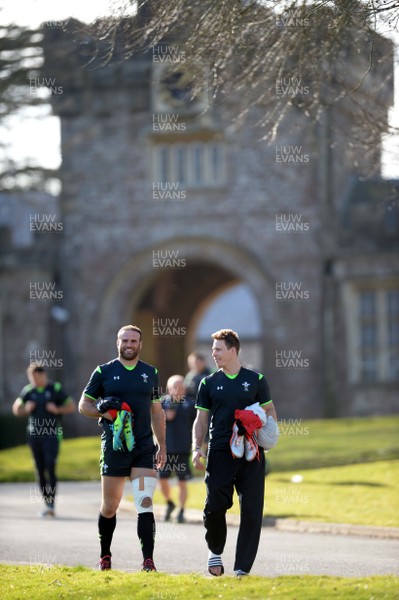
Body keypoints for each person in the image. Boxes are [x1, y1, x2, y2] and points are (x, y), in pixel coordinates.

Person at [79, 325, 166, 573]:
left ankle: (148, 561)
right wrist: (102, 411)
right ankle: (105, 555)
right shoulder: (103, 371)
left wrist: (163, 445)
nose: (129, 345)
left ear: (140, 344)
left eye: (133, 341)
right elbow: (83, 404)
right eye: (124, 340)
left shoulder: (150, 373)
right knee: (110, 506)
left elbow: (157, 411)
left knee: (145, 502)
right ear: (117, 342)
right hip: (114, 448)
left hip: (143, 447)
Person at [192, 328, 277, 577]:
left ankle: (242, 569)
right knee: (215, 505)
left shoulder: (256, 379)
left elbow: (269, 410)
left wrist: (269, 432)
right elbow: (201, 418)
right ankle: (215, 550)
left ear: (232, 350)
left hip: (252, 453)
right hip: (220, 452)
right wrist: (197, 447)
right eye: (213, 350)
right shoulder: (208, 383)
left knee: (251, 510)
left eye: (218, 349)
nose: (214, 354)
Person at [12, 363, 76, 517]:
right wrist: (26, 409)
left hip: (52, 434)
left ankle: (52, 504)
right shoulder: (28, 390)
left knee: (50, 466)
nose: (34, 380)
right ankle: (47, 503)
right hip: (34, 435)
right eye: (31, 378)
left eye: (36, 377)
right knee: (40, 470)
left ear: (43, 375)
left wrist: (57, 409)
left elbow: (72, 406)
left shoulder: (55, 388)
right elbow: (16, 409)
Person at [158, 374, 196, 524]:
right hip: (164, 450)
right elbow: (152, 422)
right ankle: (169, 503)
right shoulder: (162, 403)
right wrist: (164, 416)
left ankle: (181, 510)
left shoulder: (190, 404)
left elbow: (198, 424)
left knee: (182, 481)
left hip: (182, 449)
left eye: (181, 386)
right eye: (175, 386)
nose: (178, 389)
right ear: (168, 388)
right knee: (163, 480)